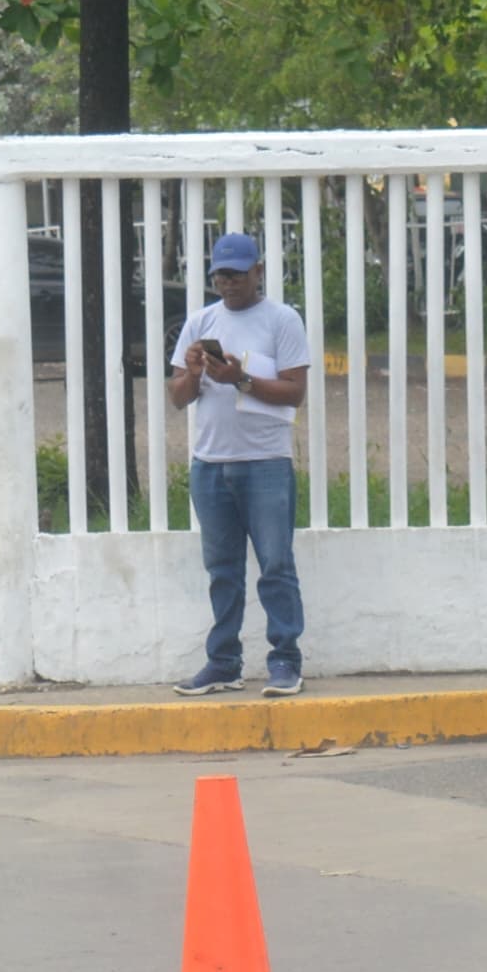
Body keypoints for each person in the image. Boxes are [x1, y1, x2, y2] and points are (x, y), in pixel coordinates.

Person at [165, 231, 315, 698]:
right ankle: (224, 662)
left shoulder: (282, 320)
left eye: (237, 273)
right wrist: (193, 373)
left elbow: (295, 391)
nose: (228, 282)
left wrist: (241, 380)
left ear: (259, 271)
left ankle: (286, 660)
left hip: (265, 463)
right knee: (222, 569)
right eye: (220, 274)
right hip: (210, 464)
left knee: (275, 565)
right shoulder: (199, 322)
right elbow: (177, 398)